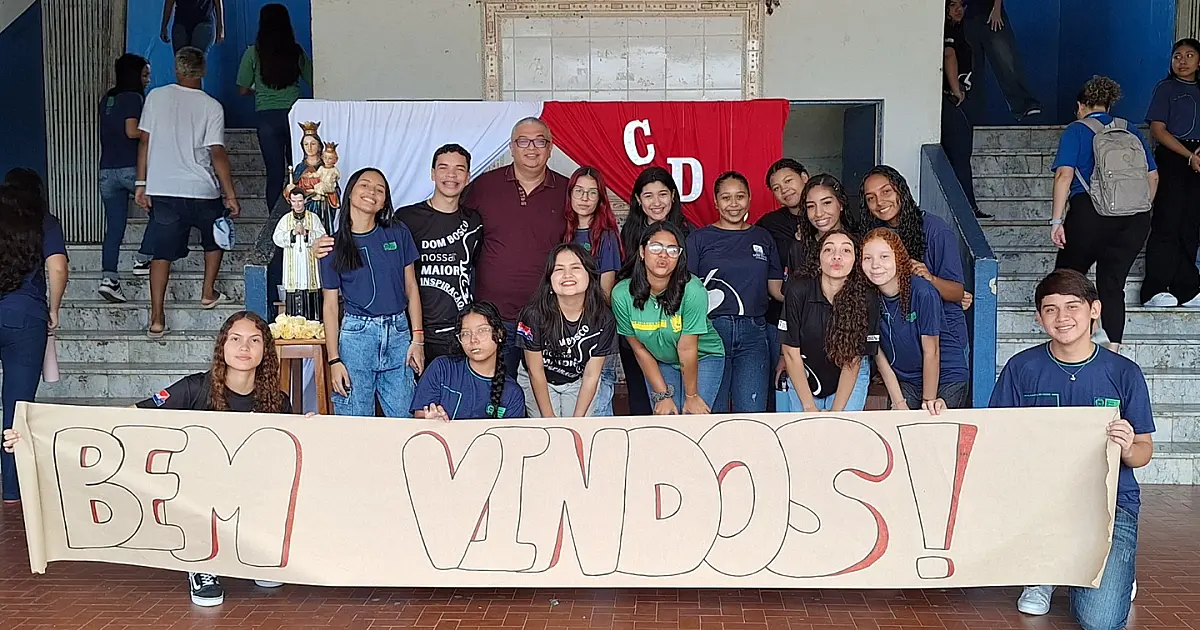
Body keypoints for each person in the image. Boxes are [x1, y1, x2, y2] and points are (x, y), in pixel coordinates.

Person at [7, 311, 295, 604]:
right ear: (223, 346)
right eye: (236, 339)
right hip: (196, 492)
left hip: (246, 494)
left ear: (265, 350)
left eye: (254, 340)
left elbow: (292, 457)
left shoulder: (277, 400)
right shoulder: (194, 388)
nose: (244, 348)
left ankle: (256, 551)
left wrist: (315, 429)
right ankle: (200, 562)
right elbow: (129, 417)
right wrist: (36, 431)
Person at [990, 269, 1152, 628]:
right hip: (1041, 503)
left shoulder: (1124, 372)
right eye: (1050, 309)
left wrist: (1127, 447)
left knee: (1101, 621)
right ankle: (1042, 572)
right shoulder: (1022, 368)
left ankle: (1115, 568)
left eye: (1072, 307)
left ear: (1094, 309)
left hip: (1109, 503)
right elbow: (997, 437)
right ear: (1038, 317)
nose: (1062, 318)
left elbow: (1143, 451)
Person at [135, 47, 239, 339]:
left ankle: (157, 318)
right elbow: (216, 152)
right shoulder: (212, 106)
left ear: (177, 70)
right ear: (203, 70)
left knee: (160, 254)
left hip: (164, 190)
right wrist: (229, 194)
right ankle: (207, 292)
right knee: (214, 239)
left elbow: (144, 141)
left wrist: (141, 184)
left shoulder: (156, 97)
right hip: (202, 189)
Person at [1049, 76, 1158, 351]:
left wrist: (1057, 221)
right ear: (1109, 105)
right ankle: (1113, 351)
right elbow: (1153, 177)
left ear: (1080, 106)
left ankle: (1074, 342)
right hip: (1134, 219)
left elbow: (1064, 175)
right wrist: (1134, 206)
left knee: (1067, 279)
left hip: (1090, 214)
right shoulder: (1130, 130)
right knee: (1112, 285)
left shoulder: (1076, 131)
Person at [463, 117, 569, 378]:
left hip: (549, 316)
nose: (531, 148)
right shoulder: (483, 186)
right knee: (498, 393)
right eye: (523, 141)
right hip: (495, 318)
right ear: (511, 146)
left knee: (547, 395)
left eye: (539, 141)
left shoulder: (568, 190)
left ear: (550, 147)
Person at [320, 168, 424, 418]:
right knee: (355, 423)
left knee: (406, 419)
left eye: (380, 190)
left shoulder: (398, 233)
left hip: (399, 334)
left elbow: (411, 288)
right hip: (356, 338)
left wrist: (417, 339)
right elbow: (331, 306)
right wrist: (334, 360)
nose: (371, 192)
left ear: (385, 201)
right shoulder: (331, 247)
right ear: (350, 192)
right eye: (364, 185)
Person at [687, 171, 783, 413]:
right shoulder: (699, 239)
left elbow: (776, 289)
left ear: (749, 199)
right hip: (710, 333)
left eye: (739, 196)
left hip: (754, 334)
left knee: (751, 414)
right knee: (711, 415)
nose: (733, 204)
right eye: (726, 197)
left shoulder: (762, 237)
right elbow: (687, 291)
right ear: (716, 202)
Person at [862, 165, 971, 377]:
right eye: (870, 198)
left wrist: (930, 278)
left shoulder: (934, 229)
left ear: (900, 189)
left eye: (886, 191)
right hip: (900, 353)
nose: (880, 202)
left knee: (938, 408)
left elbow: (957, 293)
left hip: (943, 342)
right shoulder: (872, 237)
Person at [0, 179, 68, 504]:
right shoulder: (45, 221)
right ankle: (13, 490)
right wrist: (53, 309)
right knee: (17, 407)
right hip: (26, 318)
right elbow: (57, 267)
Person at [612, 221, 725, 415]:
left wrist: (691, 398)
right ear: (642, 251)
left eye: (672, 249)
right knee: (667, 417)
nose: (663, 255)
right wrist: (662, 395)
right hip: (660, 359)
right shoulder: (622, 294)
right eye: (655, 247)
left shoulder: (693, 290)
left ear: (679, 257)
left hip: (703, 356)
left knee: (693, 418)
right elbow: (638, 348)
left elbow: (687, 347)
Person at [393, 144, 483, 366]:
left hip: (460, 336)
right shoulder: (407, 218)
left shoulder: (474, 222)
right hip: (414, 335)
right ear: (432, 174)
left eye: (459, 169)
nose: (451, 175)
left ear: (468, 176)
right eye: (443, 168)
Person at [862, 228, 969, 410]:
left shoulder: (922, 291)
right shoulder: (866, 298)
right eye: (867, 258)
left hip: (946, 376)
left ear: (899, 258)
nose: (875, 264)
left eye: (884, 257)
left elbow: (931, 351)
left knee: (933, 425)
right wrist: (899, 402)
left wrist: (928, 401)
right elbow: (879, 355)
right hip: (907, 381)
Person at [617, 166, 696, 415]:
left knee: (681, 400)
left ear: (673, 196)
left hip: (676, 328)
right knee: (641, 399)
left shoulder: (689, 233)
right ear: (639, 200)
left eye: (662, 194)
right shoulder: (628, 233)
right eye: (648, 195)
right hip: (638, 328)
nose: (656, 202)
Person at [779, 230, 879, 412]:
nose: (837, 257)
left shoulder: (866, 298)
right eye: (828, 250)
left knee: (842, 432)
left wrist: (836, 413)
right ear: (819, 258)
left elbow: (853, 361)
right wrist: (809, 406)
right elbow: (790, 353)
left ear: (856, 260)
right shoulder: (798, 290)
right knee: (806, 436)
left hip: (847, 373)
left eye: (846, 251)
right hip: (804, 370)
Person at [516, 244, 618, 417]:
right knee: (549, 434)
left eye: (576, 267)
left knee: (575, 429)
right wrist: (549, 420)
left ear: (590, 275)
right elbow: (536, 371)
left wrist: (577, 421)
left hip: (578, 381)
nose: (567, 275)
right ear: (549, 279)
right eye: (559, 269)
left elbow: (591, 375)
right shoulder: (533, 315)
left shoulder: (604, 319)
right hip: (540, 379)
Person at [237, 3, 312, 213]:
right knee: (299, 172)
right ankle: (303, 217)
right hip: (295, 117)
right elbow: (317, 81)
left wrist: (259, 88)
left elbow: (242, 89)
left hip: (267, 119)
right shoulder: (296, 52)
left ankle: (276, 224)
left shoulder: (253, 53)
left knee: (275, 174)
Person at [1142, 38, 1200, 308]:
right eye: (1177, 56)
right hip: (1173, 157)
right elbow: (1158, 129)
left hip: (1198, 159)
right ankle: (1156, 287)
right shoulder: (1166, 88)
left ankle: (1187, 288)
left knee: (1190, 225)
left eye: (1189, 56)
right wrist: (1188, 156)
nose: (1183, 61)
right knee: (1167, 221)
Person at [97, 54, 152, 303]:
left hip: (106, 170)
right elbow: (132, 131)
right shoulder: (133, 98)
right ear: (134, 75)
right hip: (131, 168)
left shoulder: (106, 98)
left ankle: (109, 279)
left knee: (115, 227)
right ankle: (143, 256)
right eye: (144, 75)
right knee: (162, 211)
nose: (147, 80)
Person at [413, 302, 526, 420]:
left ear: (499, 334)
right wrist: (432, 422)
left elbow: (510, 437)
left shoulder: (512, 393)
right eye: (466, 333)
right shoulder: (442, 368)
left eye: (482, 331)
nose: (473, 340)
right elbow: (419, 417)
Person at [942, 0, 989, 219]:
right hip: (951, 100)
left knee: (958, 155)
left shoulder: (961, 29)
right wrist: (956, 90)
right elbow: (949, 55)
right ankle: (967, 208)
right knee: (960, 155)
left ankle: (964, 207)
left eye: (962, 4)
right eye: (952, 5)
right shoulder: (949, 30)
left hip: (954, 102)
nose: (958, 9)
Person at [961, 0, 1041, 120]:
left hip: (988, 12)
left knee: (1007, 60)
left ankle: (1024, 104)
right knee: (970, 68)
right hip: (964, 14)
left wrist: (996, 8)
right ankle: (967, 112)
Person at [564, 166, 623, 297]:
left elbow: (606, 293)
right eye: (579, 191)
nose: (584, 198)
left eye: (592, 192)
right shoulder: (561, 229)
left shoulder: (607, 236)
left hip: (593, 311)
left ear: (600, 198)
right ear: (570, 194)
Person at [159, 0, 224, 55]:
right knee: (181, 61)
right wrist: (164, 26)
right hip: (181, 22)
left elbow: (217, 1)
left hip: (203, 20)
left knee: (195, 61)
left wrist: (220, 27)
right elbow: (169, 2)